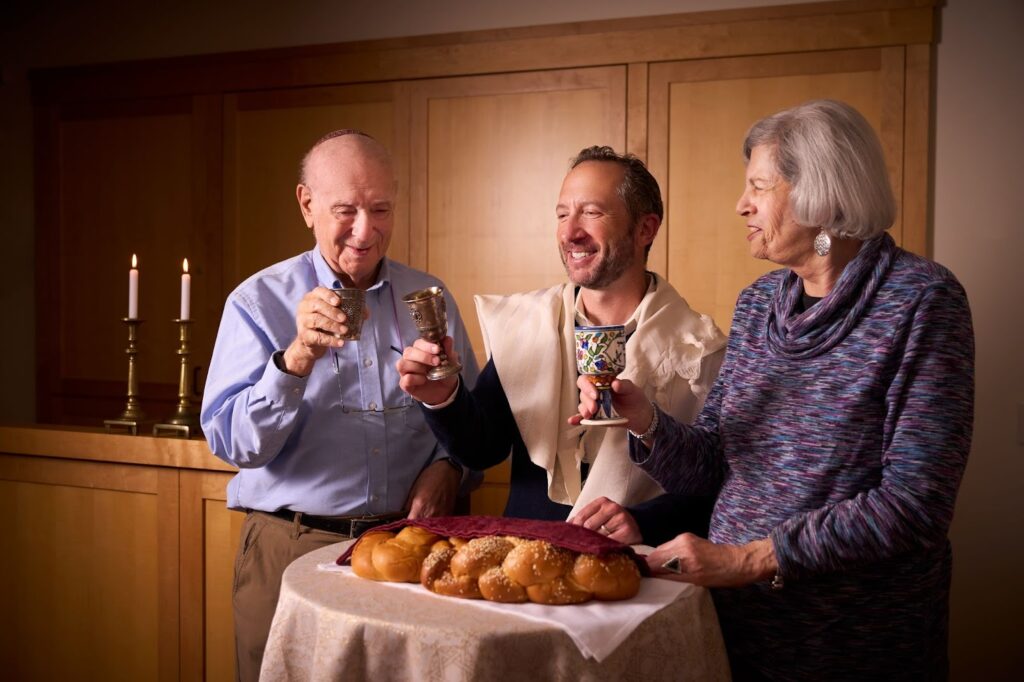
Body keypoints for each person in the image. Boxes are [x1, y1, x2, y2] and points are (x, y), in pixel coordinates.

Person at [575, 100, 974, 680]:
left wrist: (750, 558)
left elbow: (916, 505)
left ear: (823, 194)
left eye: (759, 186)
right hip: (736, 624)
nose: (742, 204)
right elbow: (716, 463)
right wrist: (646, 421)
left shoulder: (921, 301)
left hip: (856, 640)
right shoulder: (760, 303)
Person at [200, 129, 479, 681]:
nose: (365, 230)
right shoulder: (257, 301)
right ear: (306, 205)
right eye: (345, 210)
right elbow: (232, 444)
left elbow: (472, 423)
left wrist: (453, 469)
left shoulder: (431, 297)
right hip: (291, 545)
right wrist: (297, 356)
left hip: (412, 548)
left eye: (380, 209)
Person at [398, 145, 727, 546]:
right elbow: (482, 449)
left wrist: (646, 521)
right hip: (524, 560)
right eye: (562, 214)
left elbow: (720, 485)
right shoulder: (526, 324)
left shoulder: (702, 349)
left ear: (646, 229)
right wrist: (443, 398)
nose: (570, 232)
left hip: (635, 571)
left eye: (592, 212)